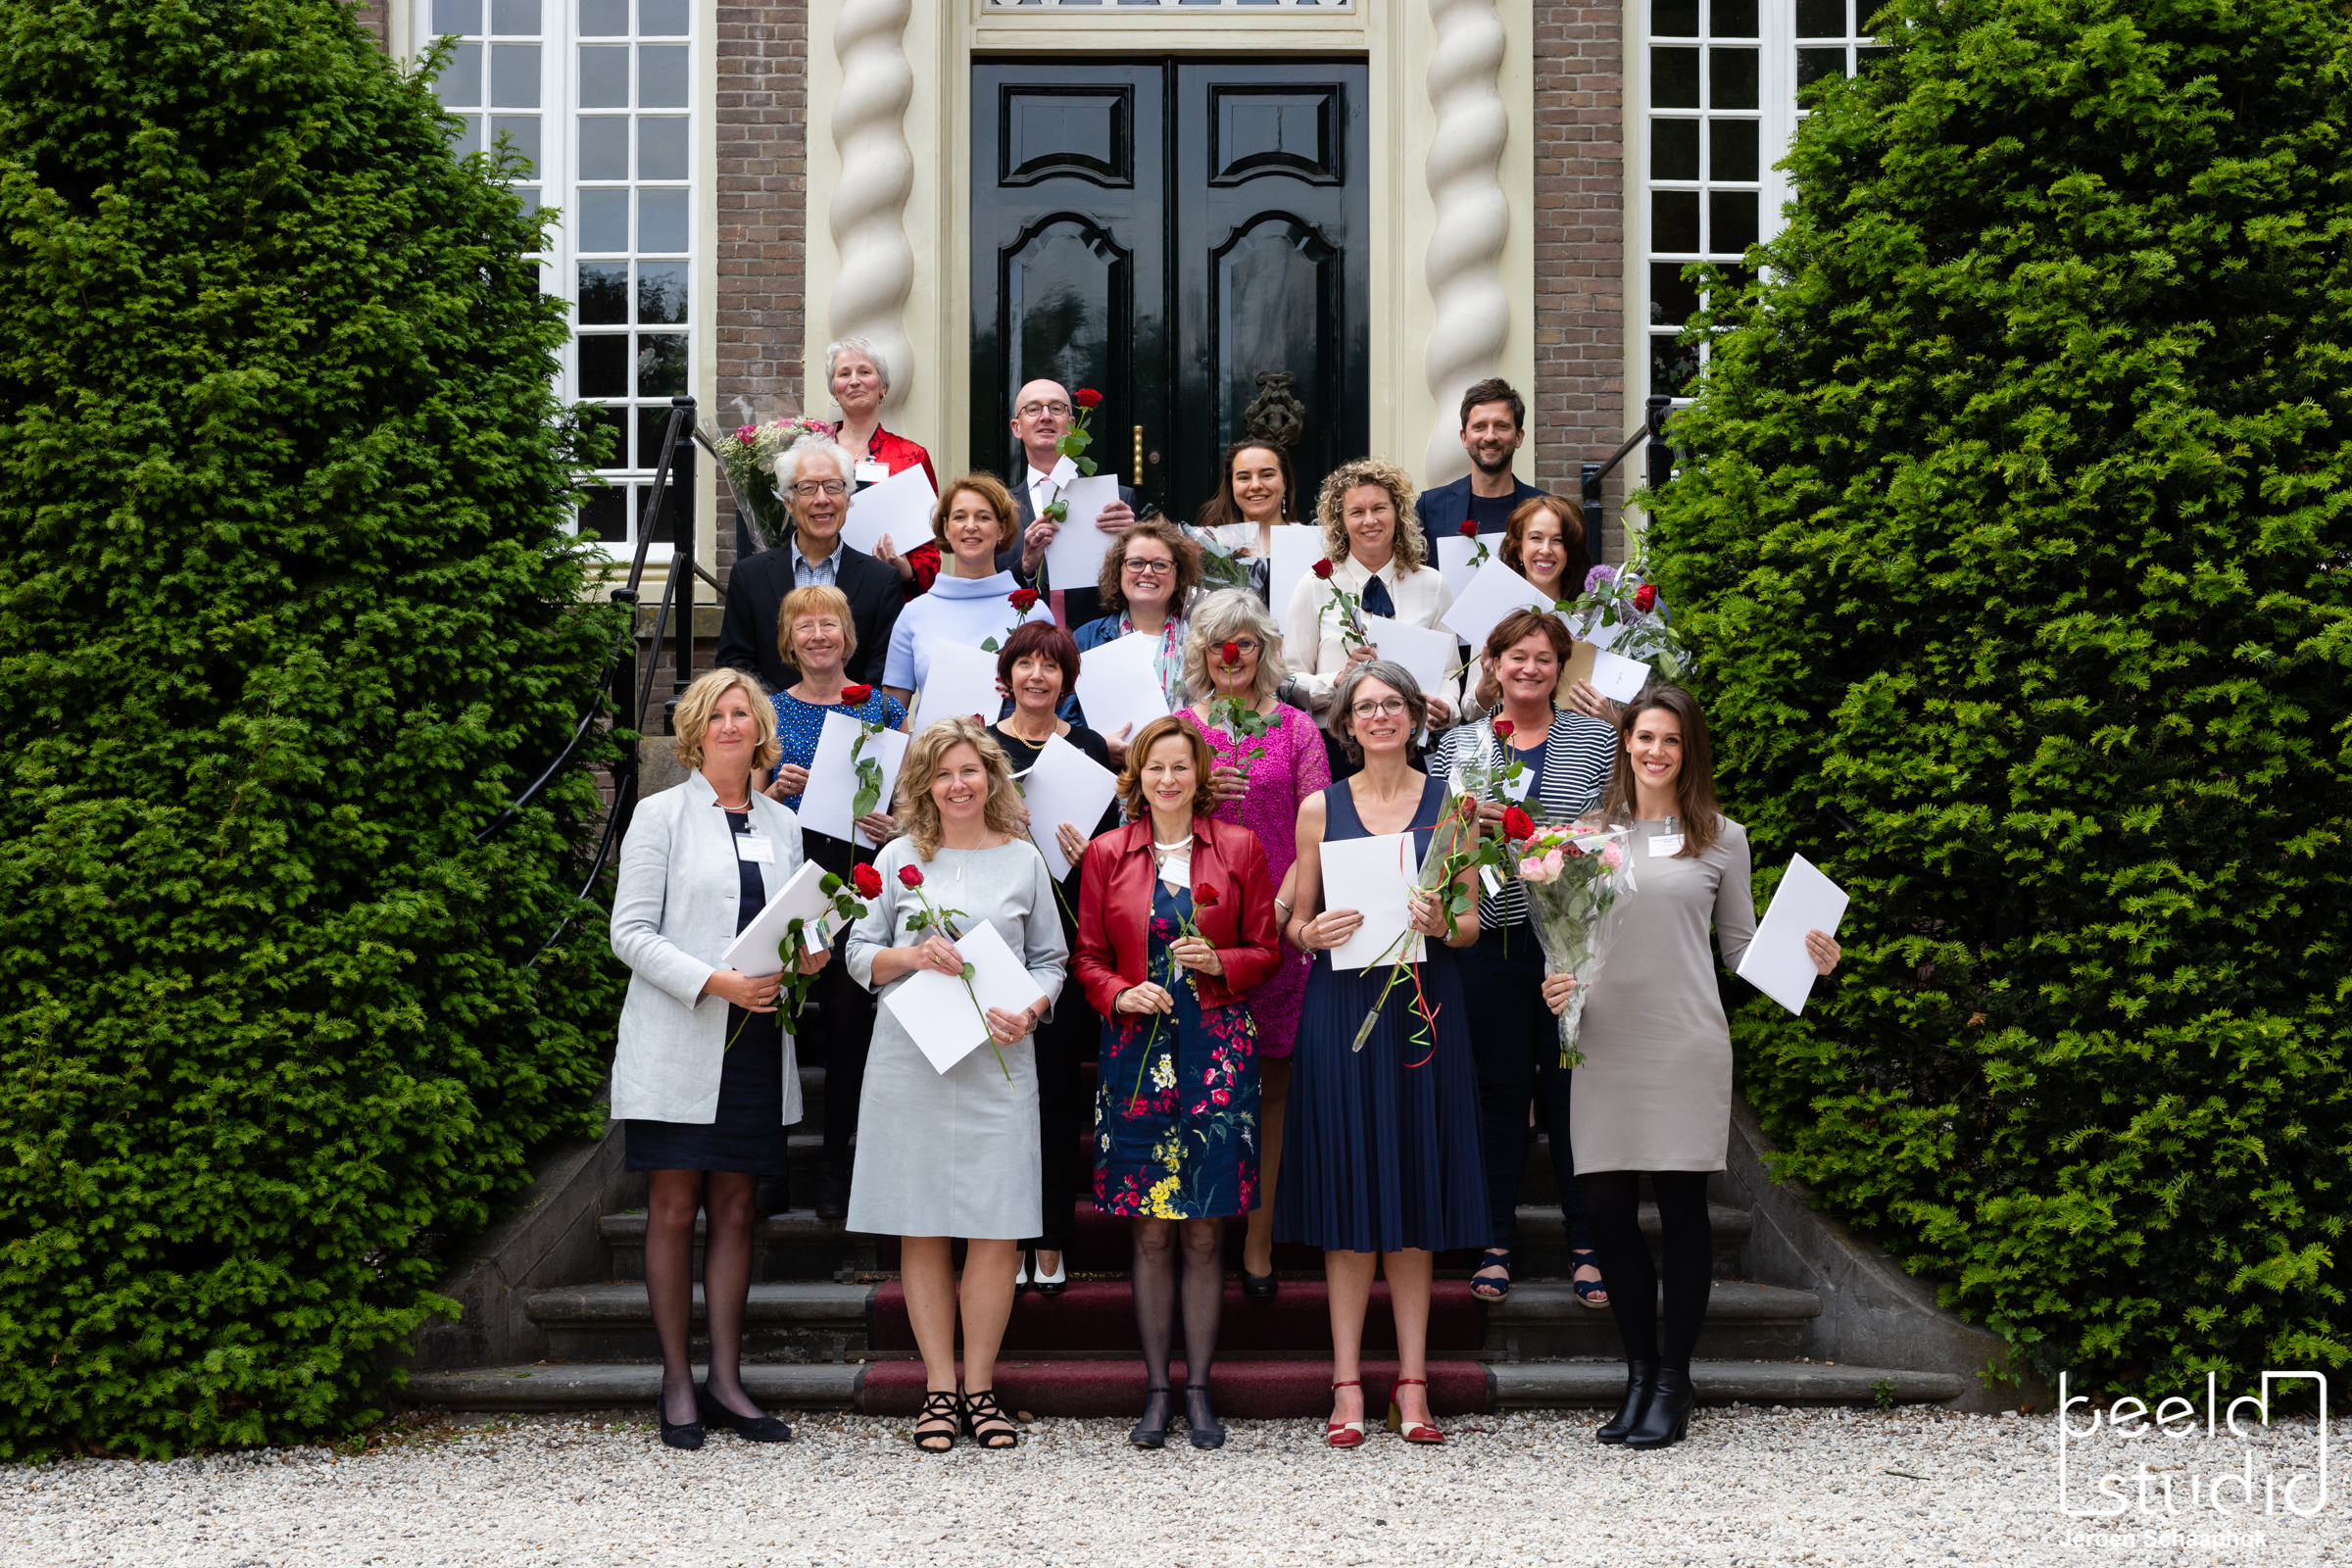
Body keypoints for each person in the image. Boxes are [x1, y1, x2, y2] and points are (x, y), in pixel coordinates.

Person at [1558, 685, 1841, 1450]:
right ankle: (1638, 1376)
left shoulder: (1721, 838)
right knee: (1606, 1212)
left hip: (1684, 1043)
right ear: (1625, 742)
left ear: (1689, 753)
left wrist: (1811, 960)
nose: (1656, 751)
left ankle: (1673, 1383)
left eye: (1672, 740)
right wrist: (1557, 981)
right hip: (1603, 1042)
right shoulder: (1585, 837)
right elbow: (1568, 940)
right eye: (1645, 736)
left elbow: (1741, 950)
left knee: (1682, 1212)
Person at [609, 666, 830, 1450]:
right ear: (695, 731)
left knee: (737, 1208)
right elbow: (630, 934)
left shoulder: (782, 824)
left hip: (756, 1040)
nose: (732, 725)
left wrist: (810, 953)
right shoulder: (659, 815)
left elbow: (790, 925)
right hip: (681, 1036)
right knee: (674, 1208)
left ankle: (727, 1382)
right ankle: (677, 1380)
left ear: (761, 729)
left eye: (743, 713)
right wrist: (715, 981)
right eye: (718, 714)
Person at [1273, 661, 1488, 1447]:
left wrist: (1441, 923)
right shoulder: (1319, 808)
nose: (1380, 716)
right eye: (1365, 707)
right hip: (1342, 1009)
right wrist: (1310, 932)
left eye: (1393, 703)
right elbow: (1294, 924)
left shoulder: (1454, 807)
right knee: (1349, 1195)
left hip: (1425, 1009)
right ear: (1345, 723)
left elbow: (1470, 925)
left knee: (1413, 1193)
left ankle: (1413, 1381)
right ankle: (1346, 1383)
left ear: (1414, 716)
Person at [845, 717, 1069, 1452]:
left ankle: (981, 1388)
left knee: (997, 1228)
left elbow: (1051, 961)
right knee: (922, 1222)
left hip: (998, 1062)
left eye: (970, 769)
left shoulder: (1024, 860)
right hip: (911, 1058)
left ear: (992, 776)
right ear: (925, 784)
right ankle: (939, 1388)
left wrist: (1031, 1009)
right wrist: (913, 956)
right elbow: (859, 954)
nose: (958, 784)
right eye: (943, 773)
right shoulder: (898, 856)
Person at [1075, 715, 1281, 1449]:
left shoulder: (1239, 847)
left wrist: (1221, 962)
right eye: (1156, 767)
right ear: (1139, 778)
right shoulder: (1107, 852)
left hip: (1218, 1056)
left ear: (1200, 778)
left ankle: (1199, 1390)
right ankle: (1157, 1390)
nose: (1168, 779)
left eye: (1181, 767)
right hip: (1135, 1055)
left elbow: (1268, 949)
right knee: (1151, 1230)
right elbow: (1087, 956)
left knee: (1204, 1229)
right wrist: (1119, 992)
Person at [1427, 609, 1615, 1307]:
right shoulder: (1458, 746)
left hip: (1568, 946)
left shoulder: (1596, 740)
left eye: (1543, 658)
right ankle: (1496, 1239)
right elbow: (1439, 845)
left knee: (1572, 1093)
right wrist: (1465, 828)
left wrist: (1567, 840)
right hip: (1490, 943)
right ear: (1493, 664)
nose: (1529, 669)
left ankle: (1587, 1244)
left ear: (1560, 668)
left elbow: (1611, 832)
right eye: (1517, 657)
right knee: (1500, 1093)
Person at [1174, 589, 1331, 1295]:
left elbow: (1316, 826)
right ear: (1202, 654)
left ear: (1264, 649)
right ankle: (1203, 1233)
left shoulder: (1296, 729)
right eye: (1218, 644)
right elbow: (1151, 816)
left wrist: (1281, 910)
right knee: (1203, 1082)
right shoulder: (1181, 729)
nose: (1231, 656)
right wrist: (1203, 794)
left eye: (1243, 642)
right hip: (1200, 928)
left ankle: (1260, 1239)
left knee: (1272, 1085)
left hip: (1279, 922)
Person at [760, 584, 906, 1219]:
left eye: (829, 624)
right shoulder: (768, 711)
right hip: (792, 876)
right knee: (776, 1016)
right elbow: (743, 801)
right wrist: (773, 790)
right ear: (789, 640)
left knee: (848, 1021)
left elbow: (913, 798)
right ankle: (769, 1165)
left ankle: (834, 1167)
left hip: (858, 880)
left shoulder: (884, 709)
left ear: (847, 636)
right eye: (805, 626)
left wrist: (895, 826)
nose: (818, 636)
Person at [985, 620, 1121, 1297]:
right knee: (1003, 1096)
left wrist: (1088, 854)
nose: (1037, 676)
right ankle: (1005, 1232)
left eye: (1051, 665)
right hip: (998, 935)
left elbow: (1114, 850)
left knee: (1060, 1091)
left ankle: (1050, 1235)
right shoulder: (982, 744)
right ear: (1006, 675)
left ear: (1067, 680)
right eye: (1026, 664)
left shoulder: (1089, 747)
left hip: (1066, 939)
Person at [1280, 457, 1460, 746]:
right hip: (1337, 745)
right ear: (1341, 522)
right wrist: (1337, 681)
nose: (1369, 520)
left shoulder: (1433, 585)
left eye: (1379, 508)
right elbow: (1289, 680)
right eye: (1356, 512)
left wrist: (1446, 705)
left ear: (1397, 514)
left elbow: (1449, 670)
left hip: (1411, 744)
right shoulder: (1314, 585)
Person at [716, 435, 904, 692]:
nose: (822, 498)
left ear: (848, 497)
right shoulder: (749, 576)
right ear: (788, 502)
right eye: (807, 488)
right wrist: (785, 708)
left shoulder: (881, 581)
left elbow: (884, 668)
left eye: (833, 486)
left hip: (853, 716)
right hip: (770, 716)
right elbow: (736, 664)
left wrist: (846, 710)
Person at [880, 475, 1054, 709]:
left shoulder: (1034, 613)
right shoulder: (913, 614)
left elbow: (1055, 706)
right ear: (946, 529)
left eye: (983, 517)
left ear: (1002, 530)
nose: (970, 526)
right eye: (960, 517)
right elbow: (891, 714)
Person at [1004, 377, 1136, 629]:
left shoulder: (1117, 501)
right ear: (1016, 428)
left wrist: (1133, 537)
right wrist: (1026, 566)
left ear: (1072, 425)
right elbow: (991, 588)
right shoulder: (999, 509)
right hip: (1025, 644)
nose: (1045, 416)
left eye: (1056, 408)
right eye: (1033, 409)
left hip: (1101, 640)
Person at [820, 334, 945, 602]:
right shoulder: (814, 454)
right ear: (834, 390)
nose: (854, 381)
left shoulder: (912, 456)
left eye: (865, 372)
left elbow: (930, 550)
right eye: (844, 373)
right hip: (822, 593)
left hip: (887, 598)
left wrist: (906, 571)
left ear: (883, 386)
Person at [1072, 516, 1200, 720]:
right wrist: (1097, 739)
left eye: (1160, 564)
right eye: (1136, 563)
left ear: (1178, 578)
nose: (1147, 572)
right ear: (1119, 572)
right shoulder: (1086, 639)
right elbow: (1064, 714)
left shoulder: (1199, 639)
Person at [1413, 377, 1550, 540]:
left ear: (1519, 437)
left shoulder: (1548, 509)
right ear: (1464, 438)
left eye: (1501, 426)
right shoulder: (1429, 507)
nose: (1490, 436)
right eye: (1479, 427)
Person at [1190, 438, 1298, 602]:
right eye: (1244, 477)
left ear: (1285, 481)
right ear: (1231, 485)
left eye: (1267, 475)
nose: (1255, 485)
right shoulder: (1208, 545)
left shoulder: (1311, 543)